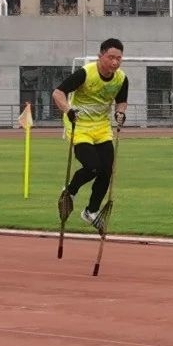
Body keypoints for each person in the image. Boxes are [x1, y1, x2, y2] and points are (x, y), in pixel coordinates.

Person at [51, 38, 128, 233]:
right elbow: (58, 93)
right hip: (80, 126)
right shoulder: (86, 73)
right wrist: (68, 110)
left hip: (101, 127)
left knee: (106, 171)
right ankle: (70, 191)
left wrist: (120, 113)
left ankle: (91, 212)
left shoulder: (121, 79)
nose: (114, 62)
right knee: (93, 166)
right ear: (100, 56)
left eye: (118, 58)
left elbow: (121, 101)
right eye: (111, 57)